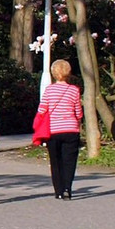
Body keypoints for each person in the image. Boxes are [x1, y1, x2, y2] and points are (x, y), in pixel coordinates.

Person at [36, 58, 84, 199]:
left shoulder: (49, 90)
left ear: (53, 73)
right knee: (69, 161)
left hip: (53, 130)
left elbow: (42, 109)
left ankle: (58, 190)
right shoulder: (74, 90)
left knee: (56, 161)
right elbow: (78, 112)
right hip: (70, 130)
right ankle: (67, 188)